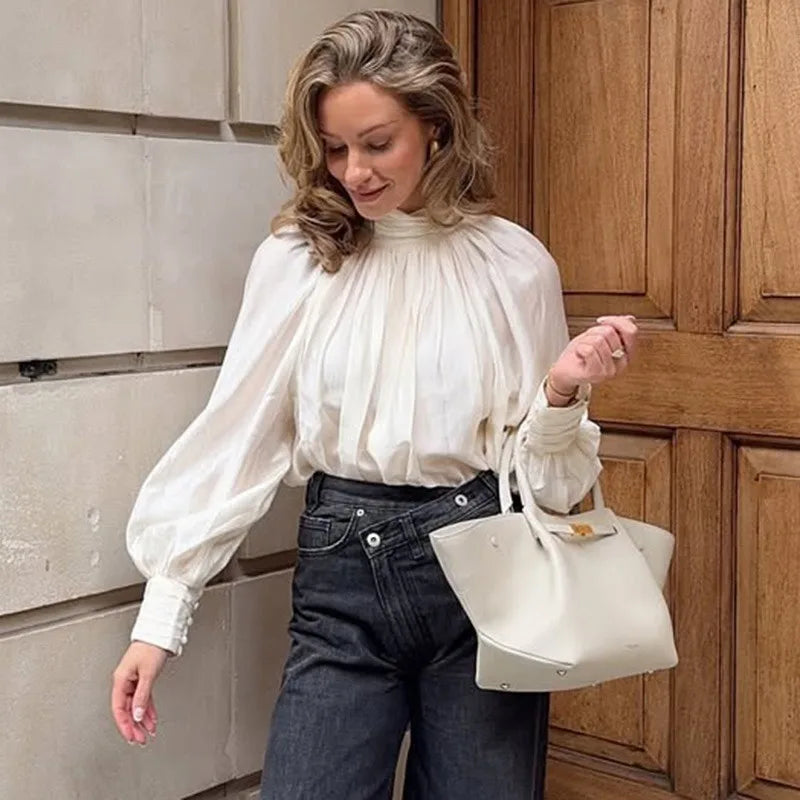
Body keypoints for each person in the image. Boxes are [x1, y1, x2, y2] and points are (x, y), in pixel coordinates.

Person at [110, 9, 637, 799]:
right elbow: (239, 436)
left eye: (376, 142)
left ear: (434, 126)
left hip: (486, 581)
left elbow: (551, 491)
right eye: (334, 148)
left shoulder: (515, 265)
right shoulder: (297, 262)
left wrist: (560, 394)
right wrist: (163, 616)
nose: (353, 171)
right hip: (340, 582)